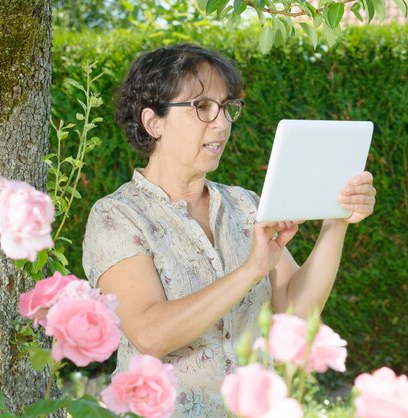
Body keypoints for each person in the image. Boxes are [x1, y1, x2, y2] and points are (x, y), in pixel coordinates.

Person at [82, 44, 376, 417]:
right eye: (201, 107)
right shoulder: (117, 216)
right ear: (152, 122)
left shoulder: (246, 207)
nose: (221, 123)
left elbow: (295, 314)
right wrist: (250, 270)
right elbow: (150, 333)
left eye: (226, 108)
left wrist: (337, 220)